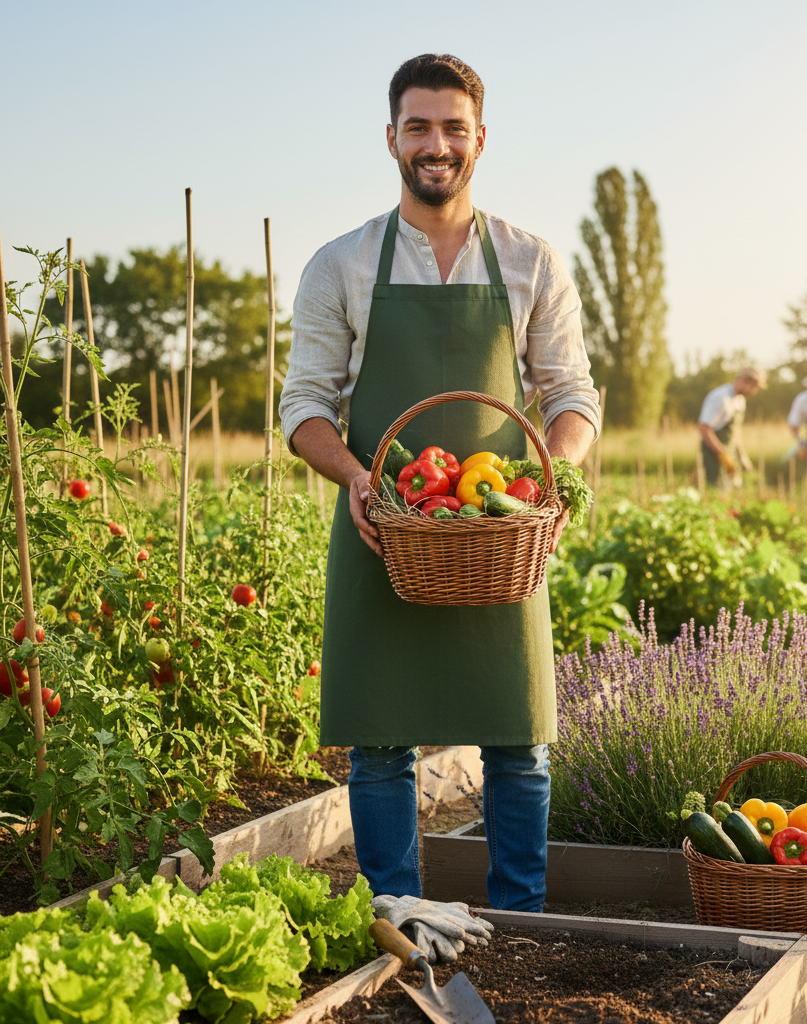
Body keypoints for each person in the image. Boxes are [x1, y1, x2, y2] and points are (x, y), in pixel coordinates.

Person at [278, 54, 600, 941]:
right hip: (388, 524)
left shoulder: (533, 260)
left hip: (501, 527)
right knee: (380, 741)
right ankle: (396, 917)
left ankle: (521, 925)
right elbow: (303, 404)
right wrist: (355, 478)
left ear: (480, 139)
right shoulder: (340, 264)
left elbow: (571, 393)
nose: (436, 144)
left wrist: (550, 482)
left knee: (520, 740)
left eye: (453, 127)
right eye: (418, 127)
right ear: (391, 138)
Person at [696, 367, 766, 488]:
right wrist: (722, 455)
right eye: (754, 387)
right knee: (715, 489)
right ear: (744, 381)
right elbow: (704, 428)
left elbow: (735, 432)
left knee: (731, 489)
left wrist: (743, 458)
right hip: (713, 454)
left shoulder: (740, 401)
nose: (755, 391)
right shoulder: (721, 397)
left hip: (730, 452)